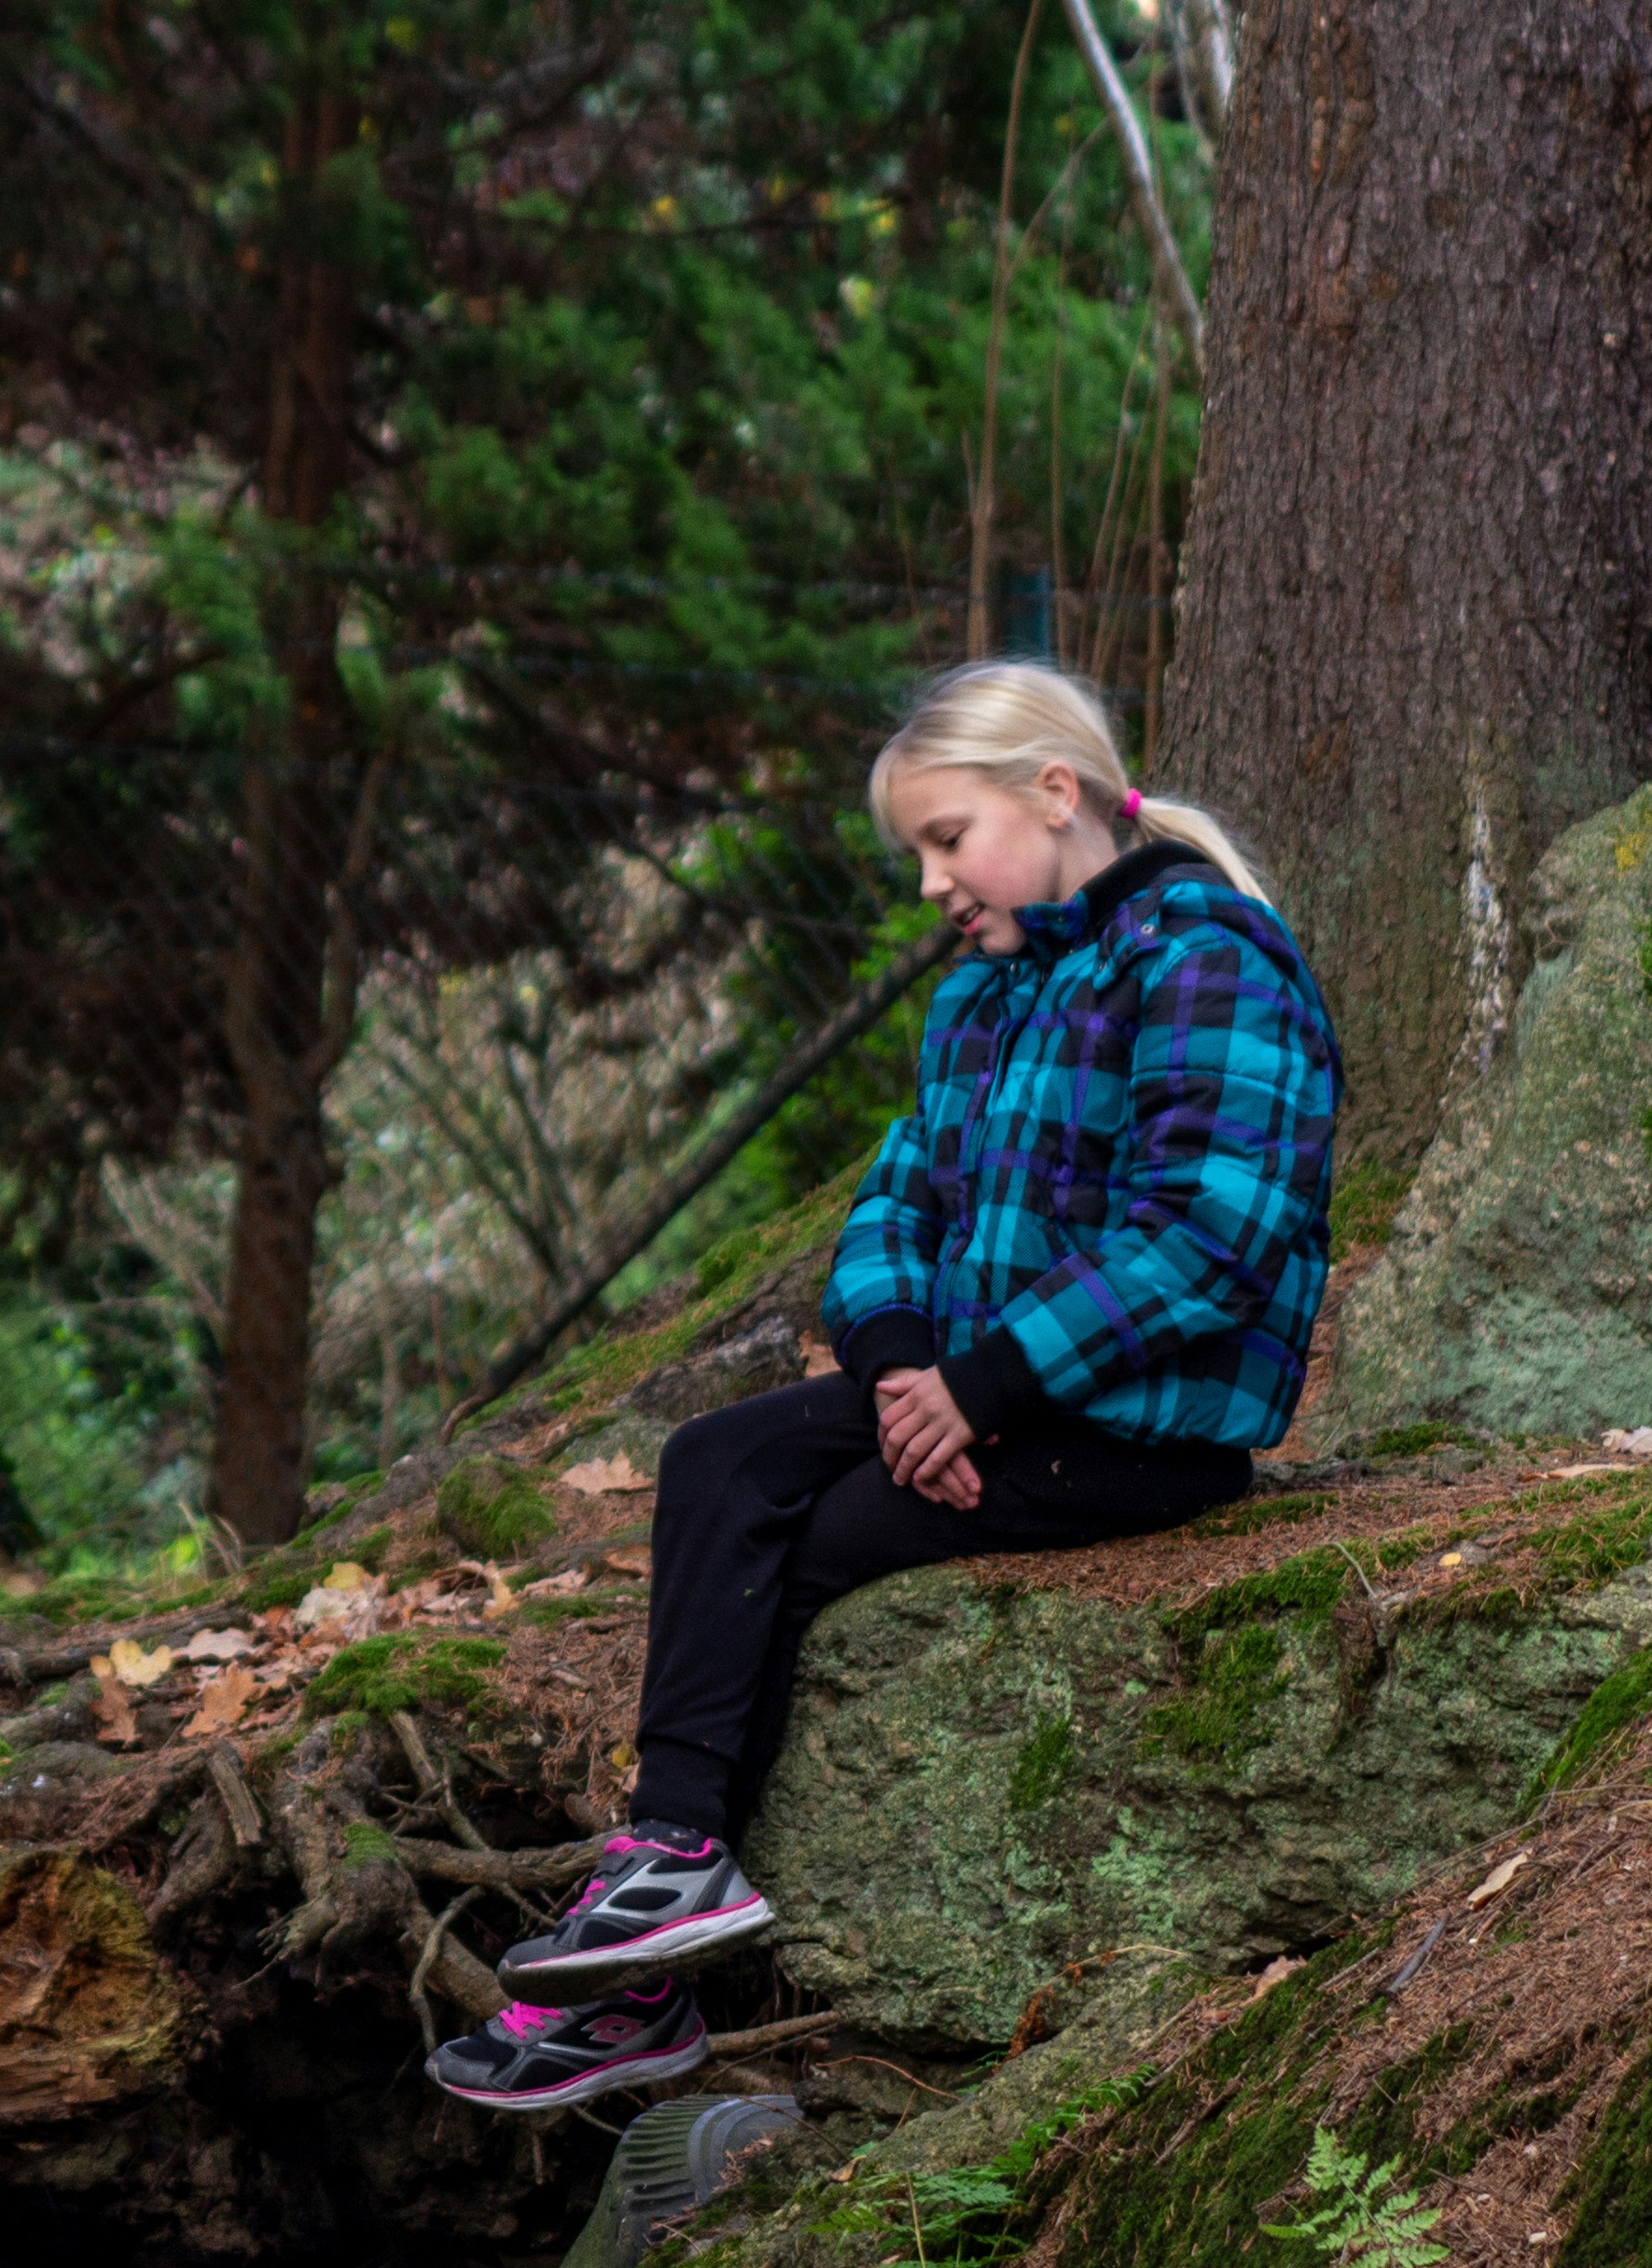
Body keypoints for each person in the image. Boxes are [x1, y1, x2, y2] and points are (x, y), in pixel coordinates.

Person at [429, 660, 1341, 2112]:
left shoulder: (1207, 955)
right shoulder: (983, 999)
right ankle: (663, 1874)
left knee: (816, 1540)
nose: (929, 884)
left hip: (1137, 1430)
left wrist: (983, 1384)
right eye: (916, 853)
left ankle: (645, 1996)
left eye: (944, 840)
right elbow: (891, 1207)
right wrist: (903, 1362)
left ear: (1054, 796)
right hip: (987, 1396)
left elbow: (1213, 1234)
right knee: (720, 1464)